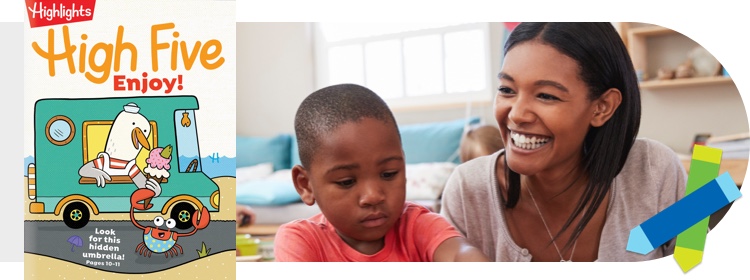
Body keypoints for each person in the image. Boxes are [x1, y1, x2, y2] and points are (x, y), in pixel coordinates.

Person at [440, 22, 687, 262]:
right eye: (507, 89)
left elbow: (695, 261)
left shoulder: (656, 170)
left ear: (602, 107)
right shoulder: (467, 190)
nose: (516, 114)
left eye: (546, 95)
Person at [274, 84, 489, 262]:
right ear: (305, 185)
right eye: (347, 181)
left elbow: (458, 254)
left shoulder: (417, 226)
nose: (373, 196)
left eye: (388, 174)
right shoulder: (301, 241)